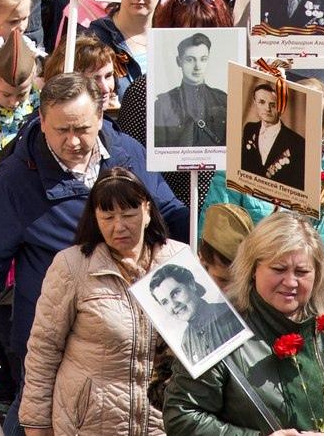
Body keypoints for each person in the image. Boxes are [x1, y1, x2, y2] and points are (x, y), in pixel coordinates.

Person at [0, 72, 189, 419]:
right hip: (53, 335)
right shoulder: (15, 180)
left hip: (126, 335)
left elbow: (168, 212)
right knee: (36, 415)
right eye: (61, 130)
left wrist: (201, 231)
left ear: (100, 117)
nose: (73, 142)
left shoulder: (127, 154)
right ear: (41, 122)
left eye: (82, 129)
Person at [165, 209, 324, 436]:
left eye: (302, 271)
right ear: (253, 269)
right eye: (278, 269)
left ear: (318, 273)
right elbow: (182, 416)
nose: (291, 282)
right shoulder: (215, 331)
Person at [20, 166, 200, 433]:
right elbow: (43, 350)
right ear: (94, 217)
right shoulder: (71, 266)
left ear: (148, 211)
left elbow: (206, 338)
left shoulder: (179, 258)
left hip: (162, 423)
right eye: (108, 216)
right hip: (90, 424)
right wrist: (36, 424)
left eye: (129, 215)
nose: (119, 227)